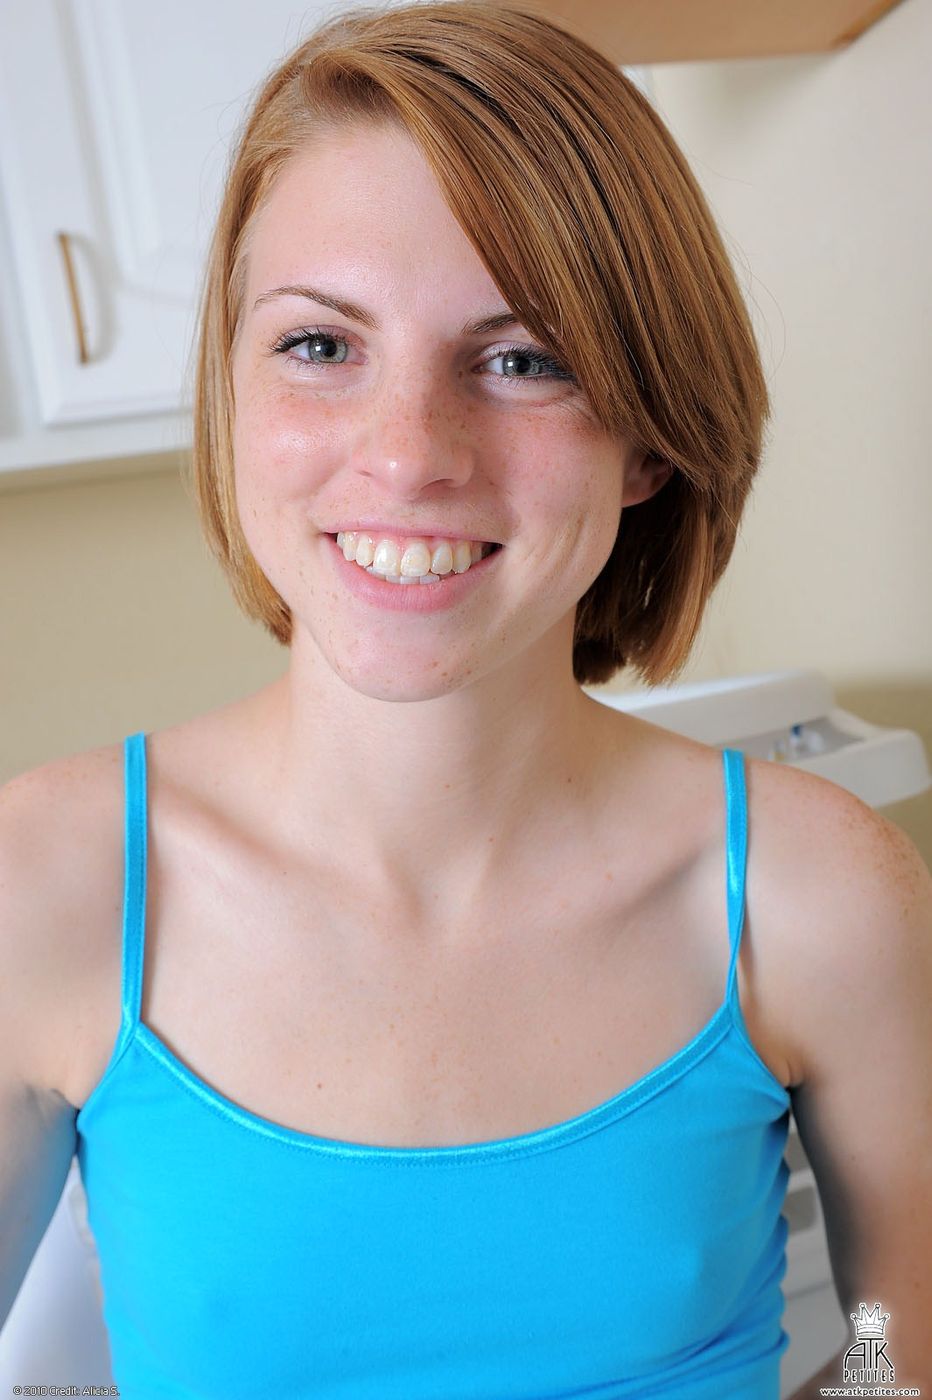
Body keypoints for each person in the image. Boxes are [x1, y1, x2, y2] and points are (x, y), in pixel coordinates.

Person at [2, 2, 930, 1395]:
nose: (410, 455)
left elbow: (896, 1348)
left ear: (649, 441)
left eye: (523, 359)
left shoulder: (822, 896)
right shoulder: (46, 885)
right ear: (231, 392)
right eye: (322, 346)